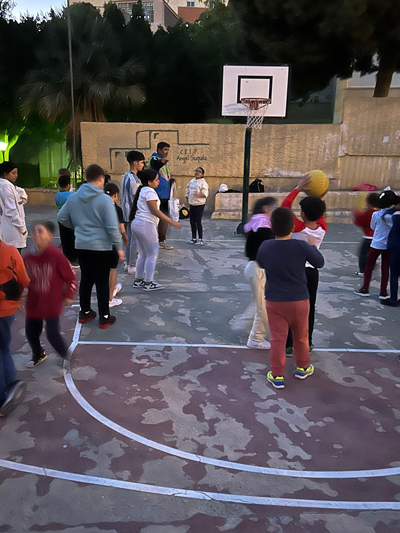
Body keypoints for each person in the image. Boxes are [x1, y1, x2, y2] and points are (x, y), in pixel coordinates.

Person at [257, 207, 324, 390]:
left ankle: (277, 375)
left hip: (275, 300)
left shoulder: (266, 246)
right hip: (300, 300)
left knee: (278, 339)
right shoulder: (301, 246)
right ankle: (303, 367)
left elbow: (261, 263)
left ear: (272, 228)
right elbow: (319, 263)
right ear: (293, 227)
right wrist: (311, 246)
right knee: (301, 336)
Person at [57, 164, 124, 329]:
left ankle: (85, 312)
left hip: (82, 244)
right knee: (102, 281)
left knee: (86, 279)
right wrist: (119, 247)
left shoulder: (73, 198)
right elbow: (111, 226)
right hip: (101, 246)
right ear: (101, 178)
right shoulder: (104, 199)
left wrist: (78, 227)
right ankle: (104, 316)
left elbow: (61, 217)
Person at [281, 175, 327, 352]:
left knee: (291, 308)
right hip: (312, 272)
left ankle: (289, 344)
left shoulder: (297, 228)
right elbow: (318, 213)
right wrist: (318, 195)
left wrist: (298, 188)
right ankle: (308, 341)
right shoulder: (322, 228)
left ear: (303, 214)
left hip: (295, 273)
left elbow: (285, 206)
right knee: (309, 307)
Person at [23, 221, 77, 367]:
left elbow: (71, 277)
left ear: (50, 237)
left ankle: (66, 356)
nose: (36, 235)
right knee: (31, 332)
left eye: (41, 231)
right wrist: (21, 292)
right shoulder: (27, 258)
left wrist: (69, 294)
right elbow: (23, 279)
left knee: (52, 334)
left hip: (51, 301)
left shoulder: (56, 256)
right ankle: (38, 353)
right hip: (34, 301)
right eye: (34, 232)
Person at [130, 169, 181, 291]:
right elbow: (154, 210)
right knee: (152, 254)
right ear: (149, 182)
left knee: (143, 253)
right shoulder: (150, 192)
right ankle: (148, 282)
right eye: (157, 180)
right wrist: (171, 221)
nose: (159, 182)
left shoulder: (142, 190)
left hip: (137, 224)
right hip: (146, 225)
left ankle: (138, 280)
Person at [0, 237, 30, 416]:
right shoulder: (10, 250)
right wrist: (17, 297)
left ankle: (3, 399)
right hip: (8, 309)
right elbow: (24, 280)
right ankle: (11, 382)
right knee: (3, 347)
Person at [244, 197, 277, 349]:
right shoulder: (263, 225)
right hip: (259, 270)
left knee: (261, 304)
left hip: (253, 267)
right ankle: (256, 338)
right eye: (274, 207)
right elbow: (268, 249)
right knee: (263, 307)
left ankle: (249, 326)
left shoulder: (255, 222)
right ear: (265, 208)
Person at [354, 189, 400, 299]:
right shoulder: (393, 216)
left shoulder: (376, 214)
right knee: (385, 269)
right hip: (387, 245)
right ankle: (383, 291)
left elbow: (372, 227)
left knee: (369, 267)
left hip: (376, 244)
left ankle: (365, 288)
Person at [104, 182, 128, 308]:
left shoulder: (98, 207)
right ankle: (109, 298)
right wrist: (125, 238)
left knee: (102, 271)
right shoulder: (117, 209)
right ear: (116, 195)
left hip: (99, 243)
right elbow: (121, 228)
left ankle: (108, 291)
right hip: (112, 243)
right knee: (112, 270)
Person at [121, 151, 145, 274]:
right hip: (132, 213)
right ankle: (132, 265)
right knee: (135, 239)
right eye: (141, 162)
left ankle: (127, 262)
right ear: (134, 163)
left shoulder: (125, 176)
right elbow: (137, 197)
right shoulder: (134, 179)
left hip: (126, 213)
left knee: (130, 239)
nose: (143, 164)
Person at [149, 141, 175, 249]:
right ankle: (157, 241)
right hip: (158, 194)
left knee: (164, 218)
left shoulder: (163, 162)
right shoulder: (155, 158)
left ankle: (161, 240)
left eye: (168, 150)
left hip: (165, 195)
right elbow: (155, 166)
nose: (166, 152)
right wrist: (162, 162)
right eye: (165, 149)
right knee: (158, 218)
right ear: (159, 150)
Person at [0, 161, 28, 252]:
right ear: (5, 174)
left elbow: (23, 199)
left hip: (9, 229)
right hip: (12, 230)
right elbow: (11, 211)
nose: (16, 175)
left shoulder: (10, 187)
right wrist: (22, 227)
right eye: (13, 173)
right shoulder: (6, 188)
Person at [352, 192, 380, 276]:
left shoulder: (368, 213)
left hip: (367, 238)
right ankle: (372, 265)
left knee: (363, 254)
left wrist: (356, 215)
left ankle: (363, 271)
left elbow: (360, 223)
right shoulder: (379, 212)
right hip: (376, 238)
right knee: (372, 254)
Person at [381, 204, 400, 307]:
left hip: (396, 250)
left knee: (394, 274)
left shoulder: (396, 219)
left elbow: (385, 216)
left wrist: (394, 208)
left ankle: (393, 299)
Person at [185, 167, 209, 245]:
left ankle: (201, 239)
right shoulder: (192, 181)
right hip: (192, 204)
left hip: (199, 204)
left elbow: (205, 194)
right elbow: (187, 191)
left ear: (202, 174)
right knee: (192, 221)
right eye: (196, 171)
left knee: (198, 221)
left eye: (199, 172)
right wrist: (186, 202)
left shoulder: (203, 183)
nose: (197, 173)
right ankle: (194, 238)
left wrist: (199, 194)